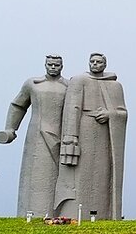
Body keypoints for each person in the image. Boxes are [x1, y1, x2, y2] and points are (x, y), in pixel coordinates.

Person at [53, 53, 128, 220]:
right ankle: (74, 212)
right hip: (84, 129)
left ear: (104, 64)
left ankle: (102, 211)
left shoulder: (115, 86)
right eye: (92, 61)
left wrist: (110, 114)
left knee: (103, 172)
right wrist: (71, 135)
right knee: (80, 174)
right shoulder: (79, 80)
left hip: (105, 134)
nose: (95, 64)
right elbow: (72, 109)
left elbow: (122, 112)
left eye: (99, 62)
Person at [0, 55, 68, 218]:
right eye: (50, 64)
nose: (53, 67)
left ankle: (57, 213)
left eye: (56, 65)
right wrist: (10, 129)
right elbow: (18, 105)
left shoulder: (68, 86)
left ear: (61, 66)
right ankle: (30, 214)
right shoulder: (33, 84)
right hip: (36, 135)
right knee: (35, 173)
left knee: (57, 176)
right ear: (45, 65)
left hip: (61, 136)